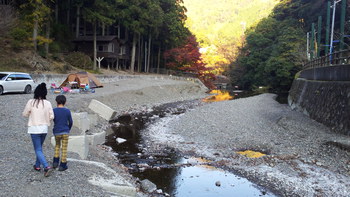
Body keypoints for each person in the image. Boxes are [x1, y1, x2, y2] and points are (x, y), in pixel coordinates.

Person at [22, 83, 54, 177]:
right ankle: (37, 165)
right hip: (44, 128)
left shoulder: (31, 102)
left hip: (34, 128)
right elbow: (52, 116)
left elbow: (25, 114)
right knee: (39, 148)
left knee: (38, 149)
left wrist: (30, 114)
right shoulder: (47, 103)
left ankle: (46, 166)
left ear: (35, 92)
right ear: (45, 93)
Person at [52, 95, 73, 171]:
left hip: (57, 131)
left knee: (57, 146)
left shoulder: (54, 110)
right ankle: (63, 165)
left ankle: (55, 162)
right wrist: (68, 129)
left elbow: (53, 120)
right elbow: (70, 122)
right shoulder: (67, 111)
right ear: (65, 102)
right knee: (64, 148)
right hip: (65, 131)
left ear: (56, 102)